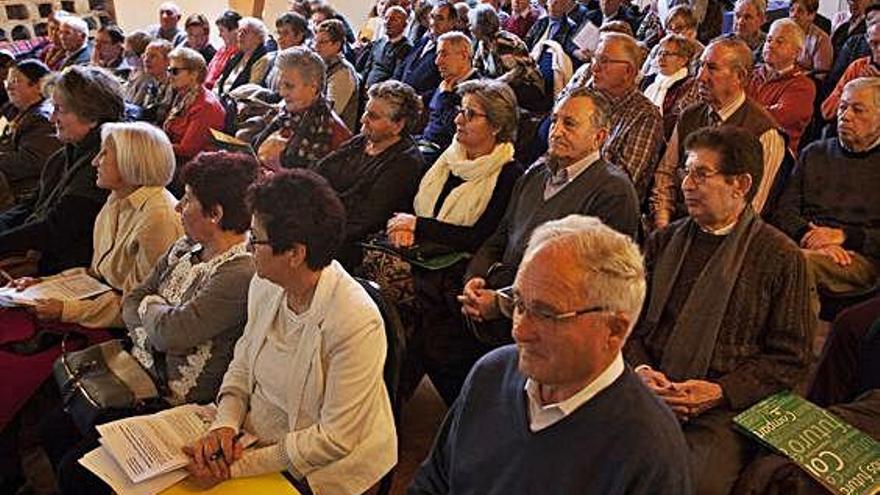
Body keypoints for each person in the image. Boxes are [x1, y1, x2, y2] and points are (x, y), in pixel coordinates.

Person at [408, 215, 692, 494]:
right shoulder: (491, 373)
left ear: (614, 330)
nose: (520, 332)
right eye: (519, 303)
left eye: (546, 314)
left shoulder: (650, 451)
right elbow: (434, 481)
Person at [42, 152, 259, 495]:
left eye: (187, 199)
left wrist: (152, 311)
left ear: (215, 214)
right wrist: (154, 313)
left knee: (76, 468)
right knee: (54, 426)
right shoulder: (187, 245)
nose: (178, 208)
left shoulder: (238, 273)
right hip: (138, 369)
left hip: (172, 398)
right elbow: (133, 297)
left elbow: (169, 335)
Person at [626, 126, 814, 495]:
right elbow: (628, 322)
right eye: (685, 171)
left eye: (701, 173)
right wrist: (643, 370)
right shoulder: (664, 241)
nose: (686, 184)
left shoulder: (780, 257)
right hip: (648, 387)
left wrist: (719, 391)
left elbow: (790, 358)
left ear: (740, 184)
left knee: (692, 483)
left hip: (721, 408)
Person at [184, 169, 397, 495]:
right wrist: (224, 424)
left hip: (325, 466)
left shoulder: (355, 321)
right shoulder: (266, 284)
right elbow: (242, 363)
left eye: (255, 240)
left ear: (295, 253)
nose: (246, 247)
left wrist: (234, 467)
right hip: (257, 441)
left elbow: (334, 439)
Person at [0, 122, 183, 493]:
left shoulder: (159, 216)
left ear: (132, 163)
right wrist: (44, 284)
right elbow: (95, 272)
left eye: (105, 154)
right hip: (89, 305)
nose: (96, 161)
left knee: (12, 364)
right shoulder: (116, 199)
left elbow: (138, 305)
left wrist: (66, 309)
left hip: (118, 327)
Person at [455, 87, 639, 404]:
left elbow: (584, 283)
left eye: (570, 124)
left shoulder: (612, 191)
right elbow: (501, 236)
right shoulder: (537, 173)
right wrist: (475, 278)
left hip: (551, 320)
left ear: (600, 136)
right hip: (502, 291)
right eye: (554, 121)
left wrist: (499, 303)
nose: (556, 131)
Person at [388, 80, 524, 402]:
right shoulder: (450, 157)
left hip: (460, 263)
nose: (458, 120)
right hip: (422, 252)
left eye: (470, 114)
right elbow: (417, 203)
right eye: (460, 111)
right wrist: (408, 227)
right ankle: (384, 397)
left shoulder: (508, 173)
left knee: (418, 316)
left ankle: (399, 401)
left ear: (496, 126)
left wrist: (420, 226)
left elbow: (481, 235)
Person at [651, 36, 786, 229]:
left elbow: (753, 207)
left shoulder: (764, 131)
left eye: (712, 68)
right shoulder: (690, 115)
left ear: (740, 77)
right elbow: (666, 176)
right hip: (676, 225)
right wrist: (663, 226)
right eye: (701, 66)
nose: (701, 76)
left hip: (725, 239)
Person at [0, 66, 124, 275]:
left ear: (91, 116)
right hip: (38, 252)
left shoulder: (103, 163)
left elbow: (56, 229)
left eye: (61, 110)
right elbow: (30, 206)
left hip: (64, 267)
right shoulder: (65, 153)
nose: (51, 118)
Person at [771, 77, 880, 296]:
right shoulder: (814, 153)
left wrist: (843, 236)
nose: (845, 116)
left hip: (858, 257)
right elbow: (784, 211)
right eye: (842, 107)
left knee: (791, 264)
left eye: (858, 110)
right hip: (805, 245)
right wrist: (811, 239)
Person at [313, 79, 425, 269]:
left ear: (398, 125)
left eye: (373, 116)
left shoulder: (405, 164)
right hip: (324, 220)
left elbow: (365, 220)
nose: (363, 119)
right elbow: (318, 173)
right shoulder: (361, 142)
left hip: (350, 243)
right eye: (366, 111)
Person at [589, 33, 664, 202]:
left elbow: (620, 184)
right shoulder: (589, 101)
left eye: (604, 61)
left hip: (605, 210)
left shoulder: (644, 116)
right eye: (595, 59)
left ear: (628, 71)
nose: (594, 68)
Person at [252, 47, 351, 171]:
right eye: (281, 84)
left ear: (313, 88)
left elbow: (319, 185)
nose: (282, 93)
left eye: (289, 86)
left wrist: (276, 166)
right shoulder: (286, 114)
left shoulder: (336, 134)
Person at [0, 60, 62, 210]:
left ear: (38, 85)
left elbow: (31, 161)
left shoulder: (42, 118)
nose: (8, 86)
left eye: (15, 81)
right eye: (7, 80)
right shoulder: (12, 109)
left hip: (20, 191)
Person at [748, 18, 816, 153]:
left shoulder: (803, 86)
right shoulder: (750, 73)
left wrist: (741, 108)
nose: (771, 45)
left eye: (779, 42)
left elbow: (775, 120)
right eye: (769, 40)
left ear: (796, 53)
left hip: (774, 152)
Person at [163, 47, 227, 186]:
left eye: (175, 71)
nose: (170, 75)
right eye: (169, 70)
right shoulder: (183, 96)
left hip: (194, 169)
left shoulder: (205, 105)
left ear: (194, 74)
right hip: (176, 159)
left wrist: (155, 144)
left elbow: (188, 150)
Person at [419, 32, 481, 157]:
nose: (437, 61)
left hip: (444, 154)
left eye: (444, 54)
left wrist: (445, 97)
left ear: (464, 56)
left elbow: (453, 130)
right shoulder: (446, 84)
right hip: (424, 143)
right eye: (437, 55)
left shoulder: (478, 91)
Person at [641, 34, 702, 139]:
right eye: (660, 53)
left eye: (667, 54)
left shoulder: (690, 85)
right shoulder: (648, 80)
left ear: (683, 60)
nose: (661, 58)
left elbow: (677, 121)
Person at [395, 0, 457, 102]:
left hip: (420, 105)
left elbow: (447, 83)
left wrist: (422, 99)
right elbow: (404, 65)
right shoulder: (423, 40)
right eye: (432, 17)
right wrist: (392, 85)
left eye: (440, 19)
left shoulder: (452, 48)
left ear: (452, 23)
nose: (433, 22)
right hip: (401, 97)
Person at [821, 22, 880, 120]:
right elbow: (827, 111)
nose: (879, 49)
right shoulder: (858, 67)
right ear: (868, 42)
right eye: (874, 43)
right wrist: (857, 85)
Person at [314, 19, 359, 130]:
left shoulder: (343, 72)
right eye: (316, 41)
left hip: (333, 136)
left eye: (322, 42)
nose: (316, 47)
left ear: (337, 44)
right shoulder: (323, 65)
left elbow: (329, 113)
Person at [215, 17, 271, 98]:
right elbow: (220, 80)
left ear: (259, 37)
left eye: (245, 32)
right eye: (239, 31)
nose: (240, 35)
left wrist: (224, 98)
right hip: (221, 97)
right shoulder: (237, 56)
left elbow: (249, 90)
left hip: (236, 102)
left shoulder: (262, 60)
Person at [359, 6, 413, 87]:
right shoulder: (379, 42)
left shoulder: (406, 48)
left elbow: (396, 77)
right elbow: (367, 68)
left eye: (394, 20)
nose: (388, 22)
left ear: (404, 25)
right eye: (386, 18)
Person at [264, 12, 314, 92]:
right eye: (279, 33)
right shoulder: (275, 57)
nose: (280, 38)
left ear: (299, 36)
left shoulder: (304, 61)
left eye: (285, 33)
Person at [789, 0, 833, 79]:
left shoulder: (821, 39)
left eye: (800, 11)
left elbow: (820, 74)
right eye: (792, 10)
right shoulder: (783, 31)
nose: (793, 15)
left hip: (804, 82)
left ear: (811, 15)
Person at [205, 11, 242, 90]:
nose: (219, 35)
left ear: (234, 31)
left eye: (222, 30)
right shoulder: (222, 49)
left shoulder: (239, 53)